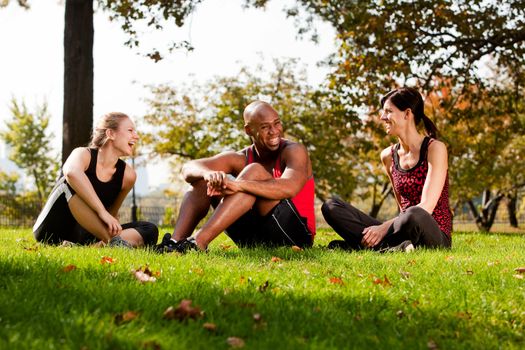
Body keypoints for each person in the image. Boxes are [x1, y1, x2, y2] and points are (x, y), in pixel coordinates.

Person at [155, 101, 315, 253]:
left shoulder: (294, 150)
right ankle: (174, 244)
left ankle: (198, 243)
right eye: (265, 127)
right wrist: (209, 174)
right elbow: (188, 168)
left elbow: (290, 187)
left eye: (277, 123)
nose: (274, 131)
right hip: (255, 237)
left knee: (254, 172)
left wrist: (239, 185)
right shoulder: (241, 157)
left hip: (296, 236)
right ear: (249, 130)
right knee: (203, 180)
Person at [322, 87, 452, 252]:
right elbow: (401, 207)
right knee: (331, 206)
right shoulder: (388, 156)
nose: (382, 117)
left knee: (414, 214)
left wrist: (383, 228)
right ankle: (396, 248)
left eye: (388, 111)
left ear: (407, 114)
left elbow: (427, 207)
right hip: (400, 229)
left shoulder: (434, 149)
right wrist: (382, 228)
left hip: (433, 234)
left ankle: (364, 247)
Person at [33, 112, 158, 248]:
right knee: (68, 183)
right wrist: (101, 211)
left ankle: (92, 247)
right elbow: (71, 172)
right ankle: (113, 242)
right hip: (52, 230)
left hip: (87, 234)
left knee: (149, 229)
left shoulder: (128, 175)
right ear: (111, 133)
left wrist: (109, 220)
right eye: (130, 130)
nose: (136, 136)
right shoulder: (82, 154)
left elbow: (112, 213)